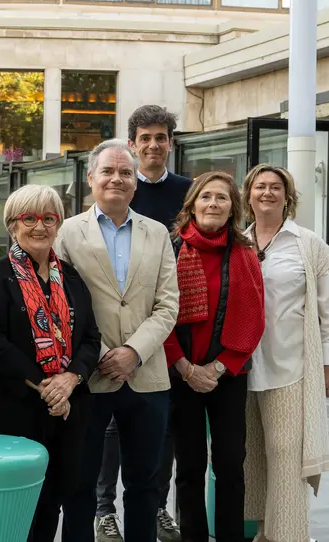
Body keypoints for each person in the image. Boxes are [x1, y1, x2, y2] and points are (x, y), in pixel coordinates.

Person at [56, 139, 180, 542]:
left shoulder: (158, 233)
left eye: (125, 172)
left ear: (135, 182)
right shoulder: (67, 234)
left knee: (146, 485)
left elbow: (167, 305)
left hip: (148, 378)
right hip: (90, 378)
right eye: (107, 171)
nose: (117, 179)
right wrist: (106, 354)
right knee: (79, 483)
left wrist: (133, 352)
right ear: (91, 178)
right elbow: (62, 307)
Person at [0, 184, 102, 541]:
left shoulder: (72, 279)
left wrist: (71, 379)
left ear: (58, 224)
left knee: (51, 502)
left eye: (48, 218)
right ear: (12, 225)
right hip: (10, 408)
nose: (39, 226)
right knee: (11, 507)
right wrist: (44, 385)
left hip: (66, 412)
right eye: (29, 218)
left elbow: (91, 338)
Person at [94, 105, 193, 542]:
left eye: (161, 137)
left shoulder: (190, 194)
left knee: (161, 435)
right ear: (133, 144)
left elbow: (170, 295)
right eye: (145, 138)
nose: (154, 145)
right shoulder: (99, 206)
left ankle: (154, 508)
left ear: (171, 142)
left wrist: (140, 349)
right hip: (102, 351)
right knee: (108, 436)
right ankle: (103, 510)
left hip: (165, 341)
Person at [242, 164, 329, 542]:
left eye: (275, 187)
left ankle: (289, 535)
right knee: (253, 455)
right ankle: (265, 531)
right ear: (248, 194)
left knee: (286, 454)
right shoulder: (237, 240)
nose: (267, 193)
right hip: (241, 366)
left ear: (288, 197)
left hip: (292, 365)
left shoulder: (308, 244)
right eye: (260, 186)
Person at [163, 171, 265, 542]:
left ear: (232, 208)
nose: (213, 204)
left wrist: (219, 368)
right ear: (192, 204)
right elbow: (158, 312)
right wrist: (187, 368)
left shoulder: (244, 252)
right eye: (206, 196)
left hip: (228, 376)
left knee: (229, 465)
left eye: (222, 198)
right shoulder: (170, 248)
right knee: (189, 467)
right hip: (181, 374)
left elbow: (254, 315)